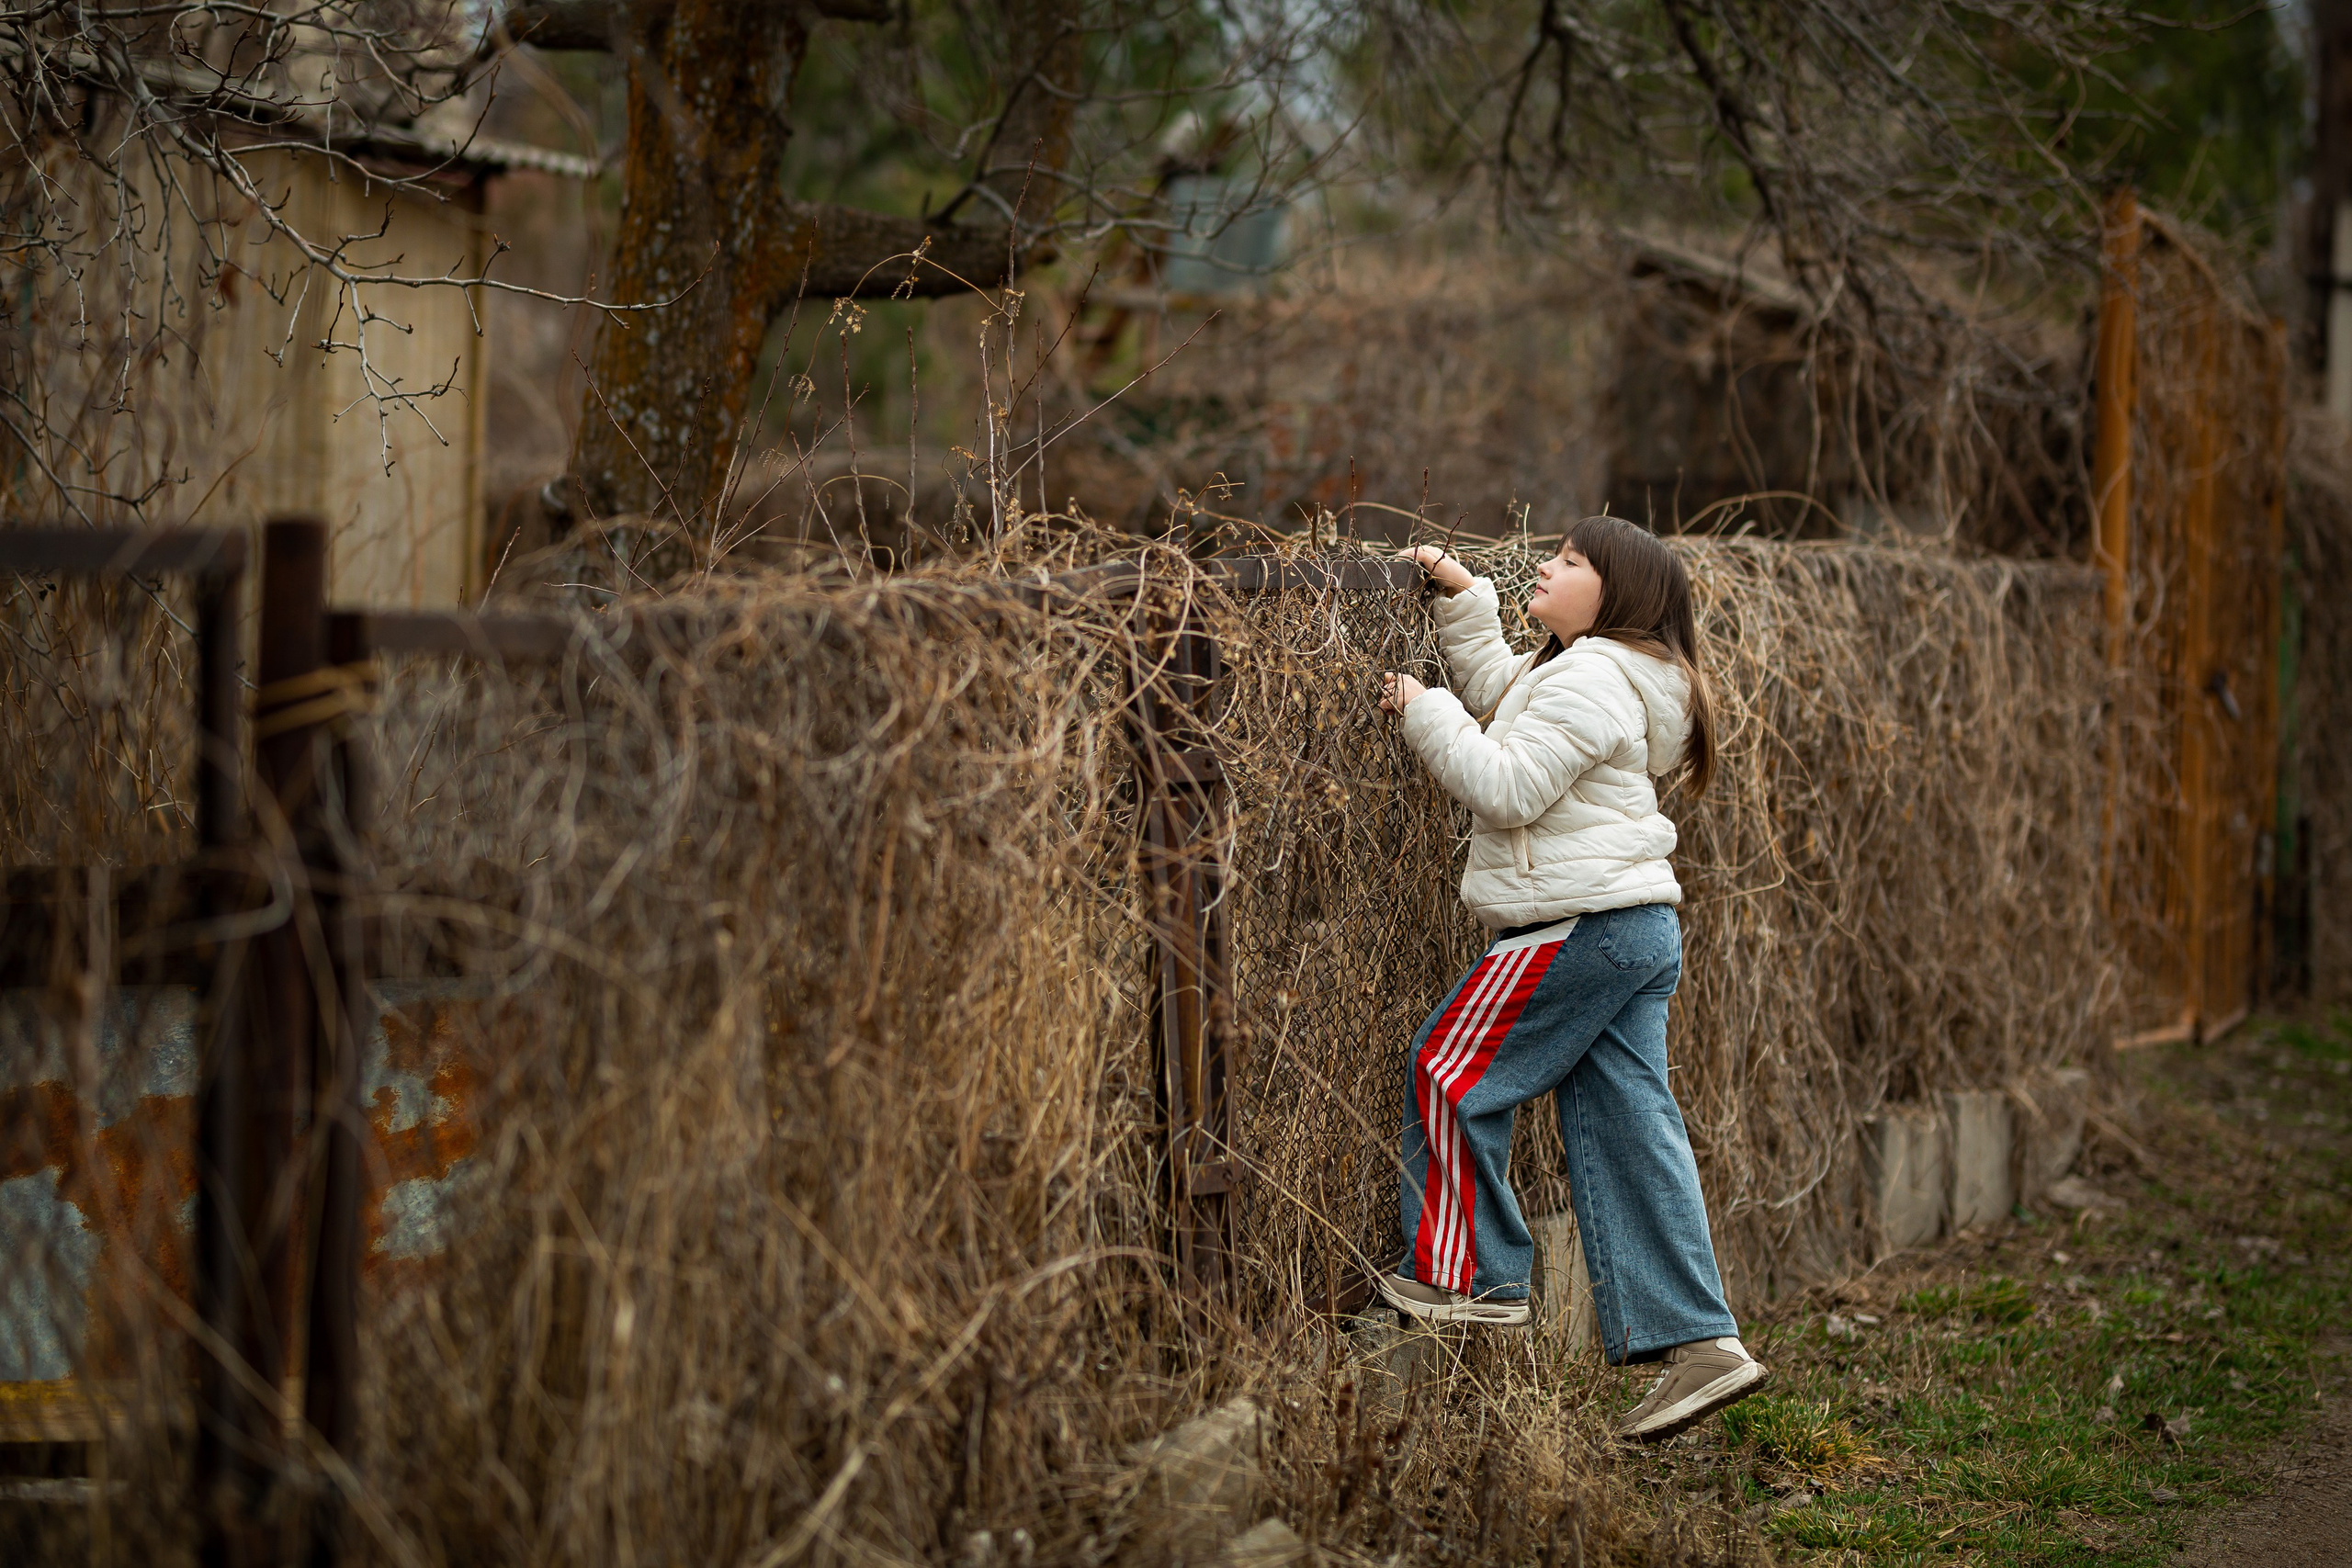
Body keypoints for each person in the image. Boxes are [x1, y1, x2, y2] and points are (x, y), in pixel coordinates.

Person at [1373, 516, 1768, 1444]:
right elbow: (1515, 696)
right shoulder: (1594, 677)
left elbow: (1506, 785)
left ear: (1615, 597)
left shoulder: (1591, 678)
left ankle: (1471, 1278)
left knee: (1448, 1072)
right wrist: (1464, 598)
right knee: (1632, 1131)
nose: (1549, 567)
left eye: (1572, 562)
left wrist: (1419, 706)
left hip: (1577, 927)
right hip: (1629, 928)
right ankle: (1699, 1343)